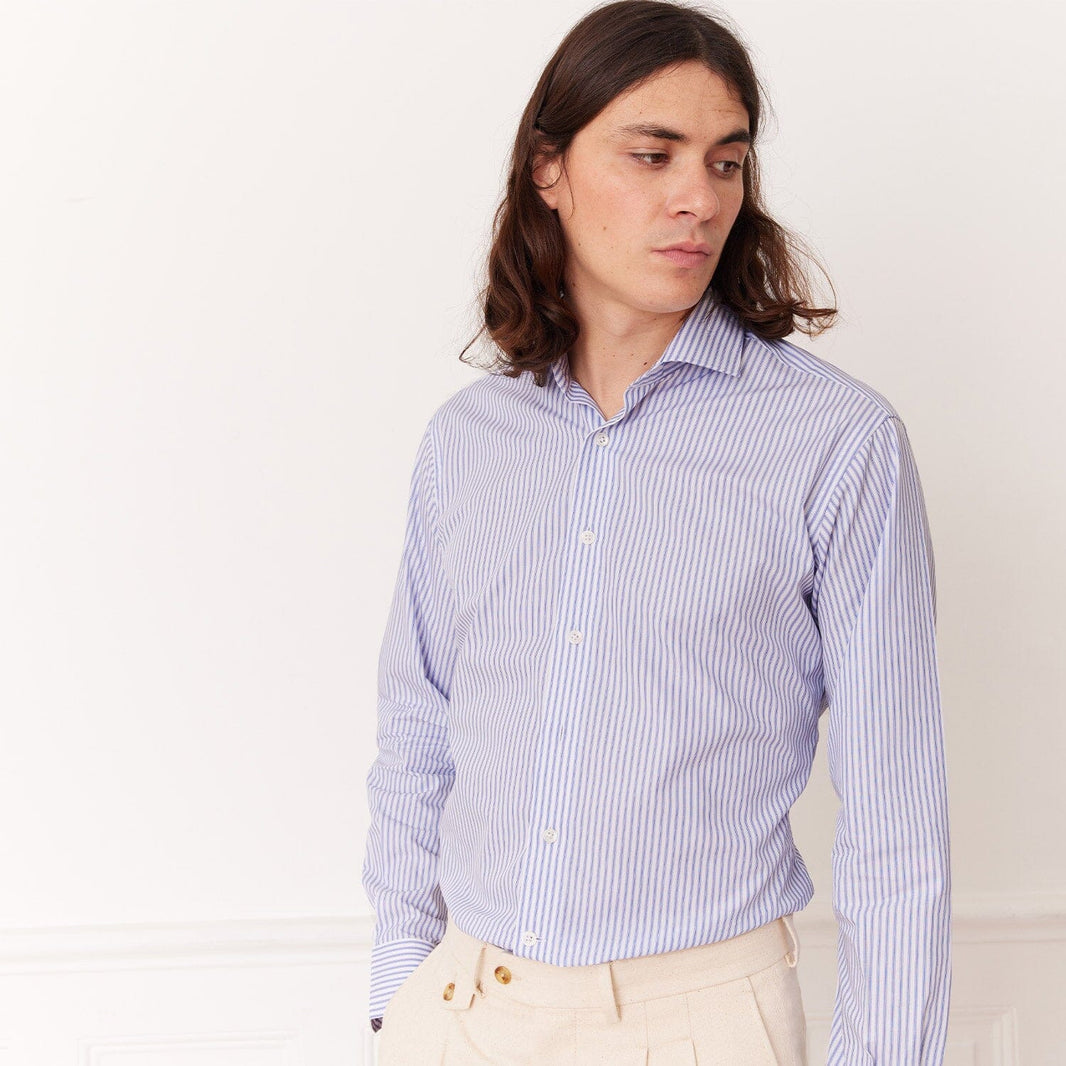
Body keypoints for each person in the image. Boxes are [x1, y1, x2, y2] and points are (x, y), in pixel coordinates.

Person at [361, 0, 952, 1062]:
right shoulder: (468, 441)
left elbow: (896, 816)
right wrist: (398, 988)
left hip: (698, 1022)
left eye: (726, 162)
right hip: (457, 1012)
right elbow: (418, 727)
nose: (699, 198)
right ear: (549, 168)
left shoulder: (836, 442)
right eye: (652, 154)